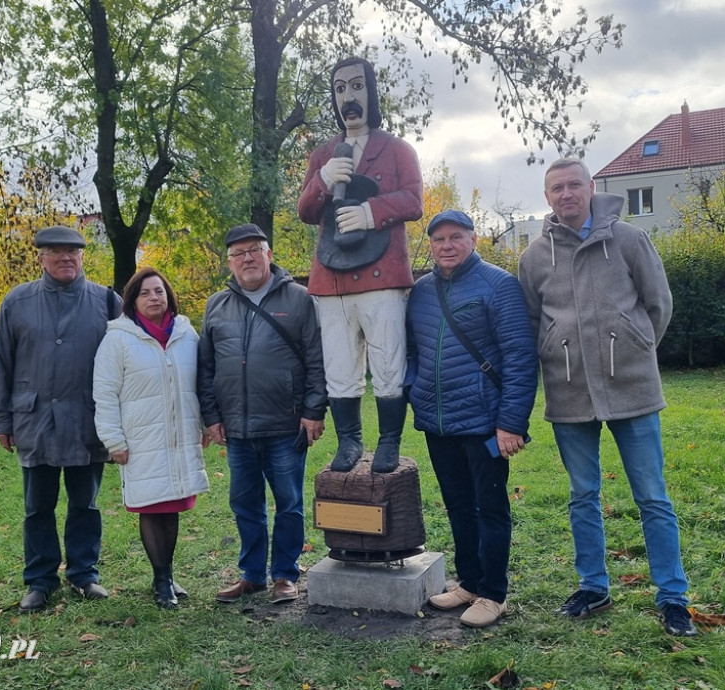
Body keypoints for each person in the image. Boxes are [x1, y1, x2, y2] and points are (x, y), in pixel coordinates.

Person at [518, 157, 696, 637]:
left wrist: (633, 346)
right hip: (568, 391)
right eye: (557, 188)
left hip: (632, 387)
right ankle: (593, 587)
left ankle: (673, 596)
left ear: (591, 188)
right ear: (547, 196)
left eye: (574, 184)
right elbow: (532, 323)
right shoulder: (533, 257)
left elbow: (658, 305)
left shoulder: (629, 240)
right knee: (583, 495)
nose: (566, 194)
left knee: (652, 496)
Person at [406, 209, 538, 628]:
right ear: (430, 244)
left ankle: (493, 593)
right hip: (438, 422)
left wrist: (511, 422)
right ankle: (469, 582)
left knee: (490, 507)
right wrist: (414, 389)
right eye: (439, 239)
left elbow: (520, 356)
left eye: (456, 237)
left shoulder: (499, 285)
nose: (447, 245)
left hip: (485, 421)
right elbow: (412, 351)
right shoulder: (421, 291)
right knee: (458, 505)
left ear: (473, 239)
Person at [297, 56, 423, 474]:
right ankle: (349, 441)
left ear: (370, 91)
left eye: (356, 86)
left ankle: (389, 441)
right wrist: (323, 179)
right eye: (339, 89)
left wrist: (371, 212)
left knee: (388, 362)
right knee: (339, 364)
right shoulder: (323, 154)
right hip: (331, 279)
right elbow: (305, 211)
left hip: (382, 275)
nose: (348, 97)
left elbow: (414, 201)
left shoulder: (398, 149)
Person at [0, 226, 117, 614]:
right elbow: (1, 361)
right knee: (37, 507)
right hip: (34, 420)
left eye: (72, 252)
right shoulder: (18, 301)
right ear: (41, 258)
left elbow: (126, 361)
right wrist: (0, 418)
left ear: (82, 256)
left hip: (87, 420)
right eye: (56, 252)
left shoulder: (107, 302)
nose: (65, 258)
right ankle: (40, 581)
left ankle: (83, 575)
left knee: (85, 504)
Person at [197, 223, 327, 605]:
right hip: (236, 427)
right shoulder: (216, 305)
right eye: (238, 253)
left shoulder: (300, 298)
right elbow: (206, 367)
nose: (247, 258)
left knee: (289, 502)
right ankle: (252, 575)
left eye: (254, 249)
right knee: (244, 504)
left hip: (286, 423)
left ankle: (285, 574)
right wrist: (211, 416)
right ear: (229, 262)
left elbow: (318, 360)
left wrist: (313, 410)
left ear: (269, 254)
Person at [93, 267, 210, 609]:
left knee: (171, 505)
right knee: (152, 506)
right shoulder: (118, 339)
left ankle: (168, 575)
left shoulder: (186, 334)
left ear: (168, 295)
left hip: (179, 435)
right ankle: (161, 580)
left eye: (159, 291)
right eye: (145, 293)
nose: (153, 298)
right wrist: (113, 440)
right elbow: (104, 393)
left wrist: (205, 425)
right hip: (141, 438)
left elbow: (201, 384)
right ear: (133, 301)